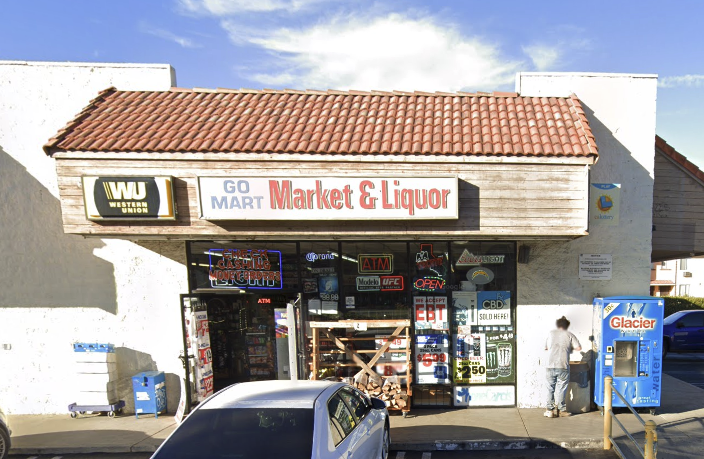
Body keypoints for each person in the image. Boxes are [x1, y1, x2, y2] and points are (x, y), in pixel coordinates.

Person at [544, 316, 582, 418]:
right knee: (561, 388)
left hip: (550, 365)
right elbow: (579, 348)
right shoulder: (570, 335)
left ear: (558, 325)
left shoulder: (551, 334)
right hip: (563, 365)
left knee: (550, 388)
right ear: (567, 325)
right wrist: (569, 349)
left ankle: (549, 410)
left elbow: (546, 347)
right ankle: (561, 410)